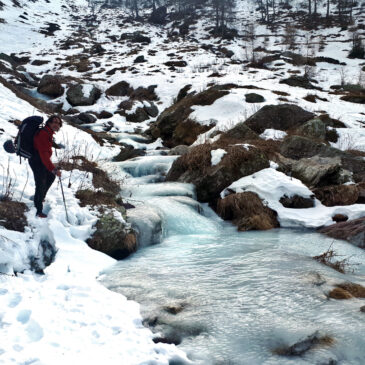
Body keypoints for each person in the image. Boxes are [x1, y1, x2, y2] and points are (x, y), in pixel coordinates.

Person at [29, 115, 62, 218]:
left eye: (58, 122)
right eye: (54, 122)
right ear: (49, 123)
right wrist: (54, 169)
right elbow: (43, 154)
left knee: (50, 177)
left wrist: (52, 169)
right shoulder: (44, 133)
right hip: (37, 161)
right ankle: (38, 210)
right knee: (40, 183)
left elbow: (45, 154)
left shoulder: (48, 132)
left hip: (40, 160)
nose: (56, 124)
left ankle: (41, 196)